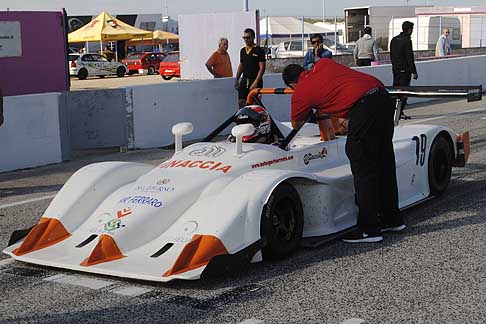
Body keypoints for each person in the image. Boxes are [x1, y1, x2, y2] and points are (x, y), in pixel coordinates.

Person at [282, 60, 406, 243]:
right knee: (384, 162)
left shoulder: (300, 91)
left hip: (364, 107)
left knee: (362, 163)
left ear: (291, 85)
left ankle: (369, 229)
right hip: (383, 97)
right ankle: (392, 219)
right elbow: (337, 87)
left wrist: (311, 105)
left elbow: (296, 124)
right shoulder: (323, 63)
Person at [390, 21, 418, 120]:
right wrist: (414, 71)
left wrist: (394, 66)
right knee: (404, 92)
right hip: (405, 71)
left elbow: (391, 55)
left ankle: (393, 111)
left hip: (395, 69)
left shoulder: (394, 40)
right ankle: (399, 112)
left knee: (395, 92)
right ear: (409, 30)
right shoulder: (407, 41)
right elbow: (409, 57)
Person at [234, 28, 266, 108]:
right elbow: (241, 65)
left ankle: (255, 119)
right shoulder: (243, 51)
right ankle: (243, 119)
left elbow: (262, 68)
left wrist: (255, 82)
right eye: (244, 38)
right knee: (241, 102)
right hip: (245, 80)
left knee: (254, 103)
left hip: (255, 80)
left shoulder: (259, 50)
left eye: (248, 37)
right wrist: (237, 79)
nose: (246, 40)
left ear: (253, 37)